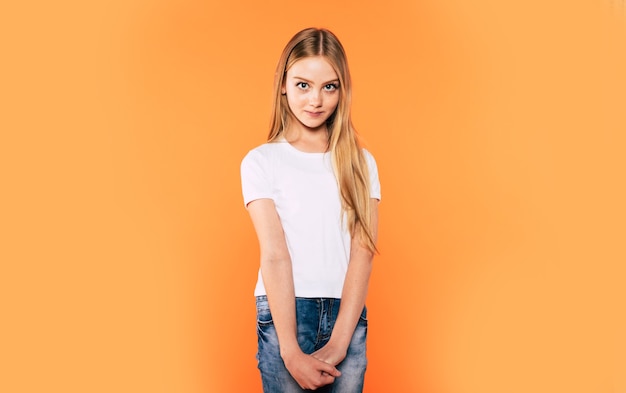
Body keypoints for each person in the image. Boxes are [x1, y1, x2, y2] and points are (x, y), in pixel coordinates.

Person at [240, 27, 381, 392]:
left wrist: (339, 342)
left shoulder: (361, 163)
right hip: (285, 313)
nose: (316, 100)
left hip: (346, 314)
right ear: (283, 84)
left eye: (329, 86)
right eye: (303, 85)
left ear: (342, 89)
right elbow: (275, 255)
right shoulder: (262, 161)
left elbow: (363, 252)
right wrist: (289, 350)